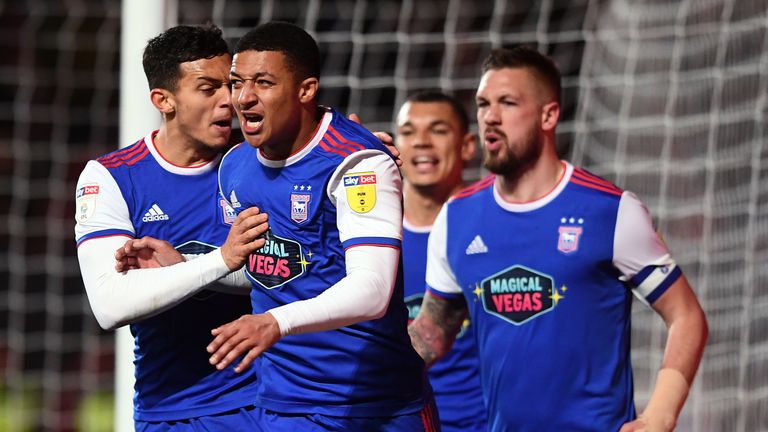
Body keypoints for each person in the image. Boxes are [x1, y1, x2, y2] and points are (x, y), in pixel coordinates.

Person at [408, 46, 708, 432]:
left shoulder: (610, 211)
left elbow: (686, 315)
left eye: (508, 103)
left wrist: (662, 412)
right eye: (483, 104)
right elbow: (432, 332)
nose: (490, 117)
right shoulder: (457, 218)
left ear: (549, 115)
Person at [206, 21, 438, 431]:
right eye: (237, 82)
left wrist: (276, 322)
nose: (243, 98)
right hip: (282, 405)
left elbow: (372, 289)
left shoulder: (358, 162)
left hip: (376, 405)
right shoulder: (234, 168)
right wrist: (191, 266)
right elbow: (265, 272)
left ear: (306, 90)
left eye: (263, 82)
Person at [74, 25, 270, 430]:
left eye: (228, 85)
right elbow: (111, 305)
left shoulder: (259, 161)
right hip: (177, 407)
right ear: (163, 100)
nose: (228, 101)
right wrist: (220, 260)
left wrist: (360, 156)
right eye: (207, 88)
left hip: (271, 398)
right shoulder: (113, 177)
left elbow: (303, 270)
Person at [395, 91, 486, 432]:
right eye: (408, 131)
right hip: (399, 421)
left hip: (485, 422)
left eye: (437, 130)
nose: (421, 142)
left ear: (467, 146)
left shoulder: (495, 226)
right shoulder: (364, 234)